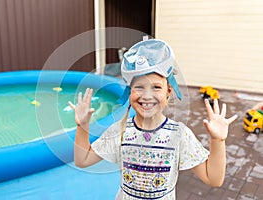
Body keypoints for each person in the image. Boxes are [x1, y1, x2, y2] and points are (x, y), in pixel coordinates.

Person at [68, 39, 238, 199]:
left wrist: (218, 140)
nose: (147, 96)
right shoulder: (119, 132)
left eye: (156, 87)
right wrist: (82, 126)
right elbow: (83, 160)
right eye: (139, 87)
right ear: (129, 92)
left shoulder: (179, 135)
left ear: (168, 91)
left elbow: (214, 179)